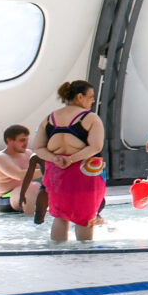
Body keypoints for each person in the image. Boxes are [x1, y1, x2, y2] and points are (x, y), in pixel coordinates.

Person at [33, 80, 107, 245]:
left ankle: (58, 253)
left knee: (60, 216)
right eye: (90, 97)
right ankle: (84, 254)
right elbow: (96, 146)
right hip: (82, 173)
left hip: (57, 174)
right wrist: (71, 159)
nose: (92, 101)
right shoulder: (90, 118)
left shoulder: (50, 118)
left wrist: (55, 159)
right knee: (85, 217)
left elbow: (37, 147)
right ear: (80, 97)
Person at [0, 124, 39, 216]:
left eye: (27, 139)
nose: (26, 143)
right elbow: (19, 175)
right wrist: (47, 169)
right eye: (22, 140)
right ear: (9, 141)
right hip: (5, 198)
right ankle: (31, 220)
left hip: (22, 194)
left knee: (46, 187)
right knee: (33, 187)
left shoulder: (28, 153)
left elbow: (43, 169)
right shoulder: (0, 157)